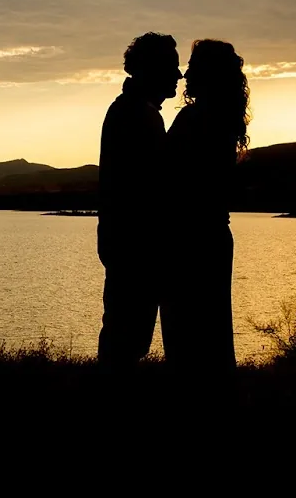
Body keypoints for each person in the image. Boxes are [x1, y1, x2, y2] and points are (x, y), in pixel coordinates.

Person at [160, 39, 251, 384]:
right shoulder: (224, 120)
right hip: (212, 236)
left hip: (189, 240)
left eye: (194, 66)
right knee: (212, 337)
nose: (185, 73)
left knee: (186, 340)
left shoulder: (195, 118)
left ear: (208, 73)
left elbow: (169, 179)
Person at [96, 32, 183, 373]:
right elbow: (146, 187)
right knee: (126, 339)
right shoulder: (136, 115)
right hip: (135, 245)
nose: (178, 76)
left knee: (126, 337)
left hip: (128, 243)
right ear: (152, 69)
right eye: (172, 68)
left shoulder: (133, 111)